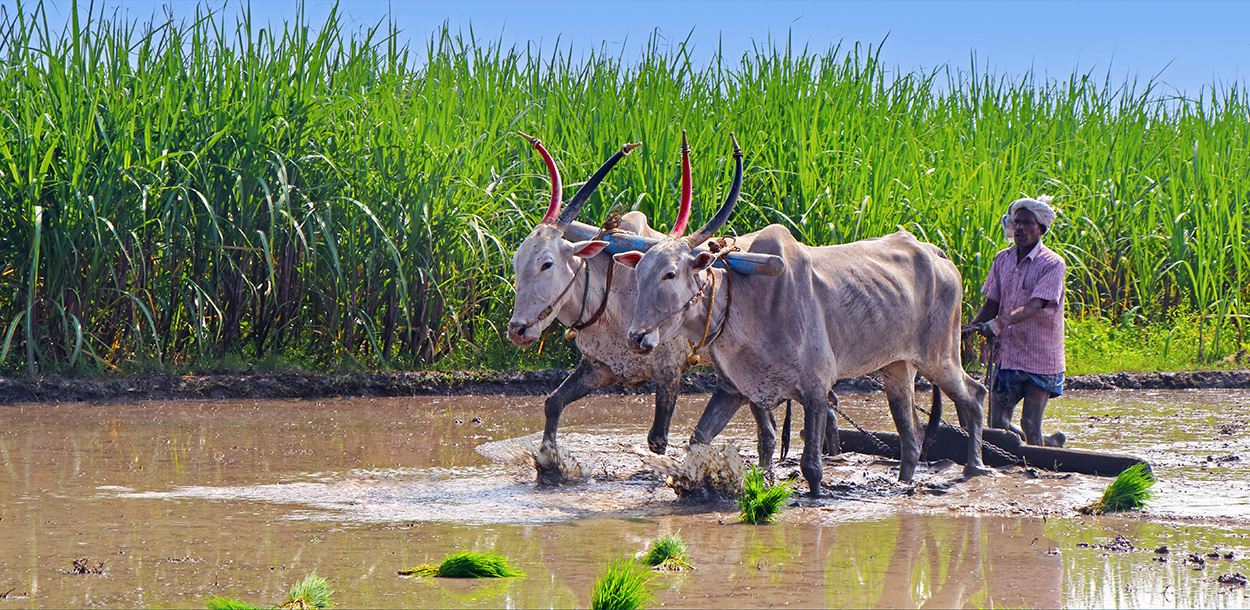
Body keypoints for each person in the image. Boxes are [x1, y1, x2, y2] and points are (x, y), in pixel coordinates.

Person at [968, 195, 1067, 447]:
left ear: (1041, 229)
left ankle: (1038, 472)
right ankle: (1045, 445)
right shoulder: (1002, 259)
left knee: (1030, 423)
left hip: (1040, 357)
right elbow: (991, 303)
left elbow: (1036, 305)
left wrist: (1000, 323)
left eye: (1026, 223)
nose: (1019, 228)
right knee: (998, 424)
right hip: (1007, 355)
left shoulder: (1052, 264)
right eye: (1016, 222)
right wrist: (967, 330)